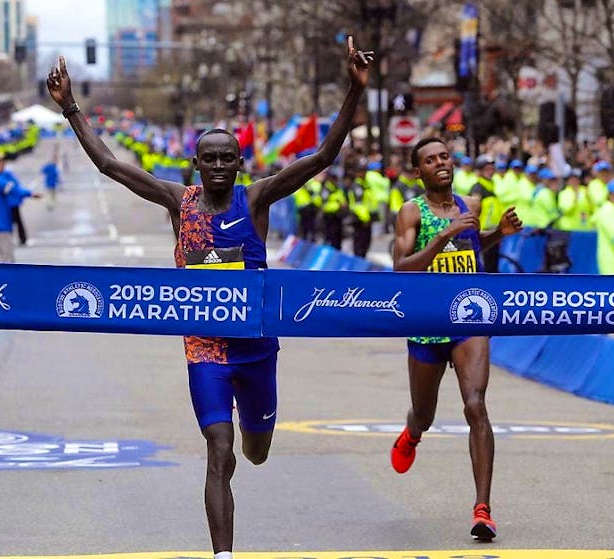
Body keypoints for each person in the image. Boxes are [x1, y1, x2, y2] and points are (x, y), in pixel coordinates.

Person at [47, 36, 373, 558]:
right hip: (205, 350)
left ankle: (256, 428)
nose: (219, 166)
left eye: (227, 158)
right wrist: (71, 109)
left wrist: (353, 93)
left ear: (240, 164)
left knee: (256, 451)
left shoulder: (258, 197)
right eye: (209, 159)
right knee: (218, 452)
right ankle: (223, 555)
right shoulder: (179, 201)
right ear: (195, 164)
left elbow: (323, 155)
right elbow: (111, 165)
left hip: (257, 348)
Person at [389, 137, 522, 542]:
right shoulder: (411, 212)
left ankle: (483, 508)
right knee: (424, 413)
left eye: (444, 156)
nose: (441, 163)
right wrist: (443, 235)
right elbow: (402, 268)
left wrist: (497, 232)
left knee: (475, 404)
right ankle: (412, 432)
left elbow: (472, 248)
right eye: (430, 160)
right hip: (427, 320)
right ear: (418, 172)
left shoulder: (471, 205)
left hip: (470, 313)